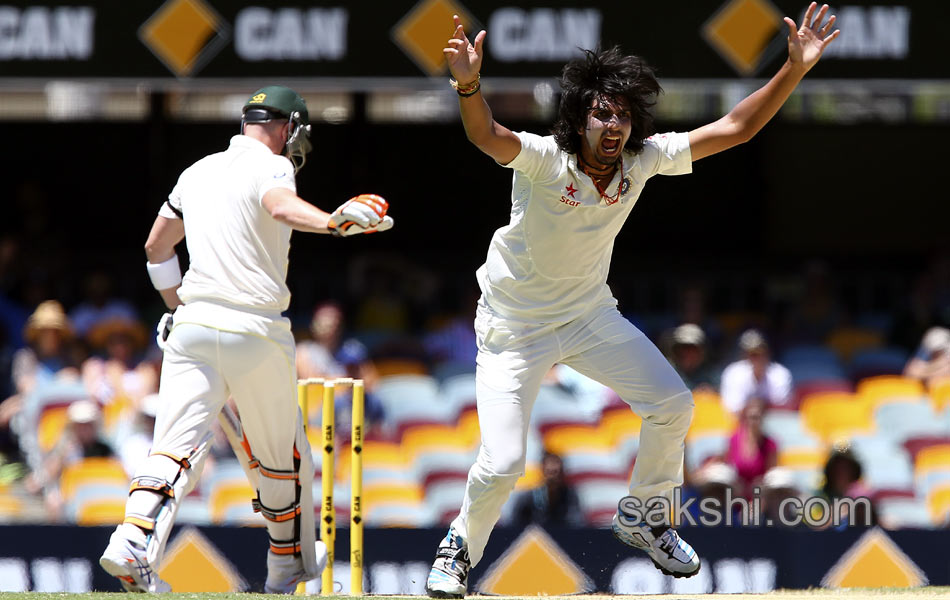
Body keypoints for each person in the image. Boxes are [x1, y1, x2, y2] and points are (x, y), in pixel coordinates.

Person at [426, 5, 839, 597]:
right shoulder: (546, 161)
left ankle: (646, 520)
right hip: (513, 327)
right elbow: (485, 135)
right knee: (503, 463)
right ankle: (458, 551)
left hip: (590, 316)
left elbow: (736, 129)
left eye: (622, 114)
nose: (612, 124)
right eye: (601, 113)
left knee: (673, 404)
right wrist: (468, 84)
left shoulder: (640, 162)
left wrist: (794, 70)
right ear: (579, 119)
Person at [98, 85, 394, 593]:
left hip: (191, 328)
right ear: (287, 128)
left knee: (175, 448)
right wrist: (332, 223)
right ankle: (285, 565)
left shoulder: (197, 170)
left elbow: (156, 245)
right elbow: (280, 206)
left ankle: (132, 537)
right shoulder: (273, 165)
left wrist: (176, 306)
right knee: (283, 457)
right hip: (255, 329)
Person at [720, 329, 793, 414]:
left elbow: (783, 409)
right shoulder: (733, 373)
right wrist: (757, 405)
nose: (755, 358)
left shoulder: (780, 374)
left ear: (768, 352)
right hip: (742, 424)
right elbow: (731, 410)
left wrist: (757, 405)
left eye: (759, 352)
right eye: (751, 354)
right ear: (743, 355)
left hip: (775, 423)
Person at [510, 451, 584, 528]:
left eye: (556, 472)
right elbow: (514, 524)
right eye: (549, 472)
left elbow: (576, 523)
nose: (553, 478)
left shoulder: (570, 497)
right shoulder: (528, 498)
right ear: (542, 471)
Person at [724, 397, 777, 500]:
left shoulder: (770, 444)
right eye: (751, 417)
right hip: (735, 495)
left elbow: (771, 477)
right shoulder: (734, 440)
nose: (754, 421)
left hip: (760, 497)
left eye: (757, 417)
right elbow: (728, 468)